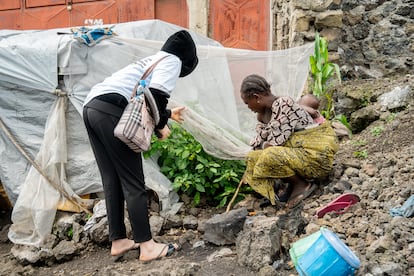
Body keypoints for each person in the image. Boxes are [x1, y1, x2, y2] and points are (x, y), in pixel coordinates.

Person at [82, 30, 198, 262]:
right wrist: (162, 124)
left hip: (92, 108)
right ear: (187, 59)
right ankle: (147, 246)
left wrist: (166, 114)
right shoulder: (172, 60)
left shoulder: (152, 60)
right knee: (133, 181)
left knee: (112, 178)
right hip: (110, 109)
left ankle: (118, 240)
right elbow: (155, 96)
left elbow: (142, 99)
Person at [240, 74, 339, 208]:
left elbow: (274, 143)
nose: (248, 108)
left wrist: (262, 145)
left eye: (247, 103)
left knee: (269, 155)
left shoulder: (284, 104)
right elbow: (258, 143)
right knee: (253, 156)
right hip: (298, 156)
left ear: (256, 97)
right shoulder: (263, 115)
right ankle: (288, 185)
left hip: (315, 158)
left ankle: (301, 185)